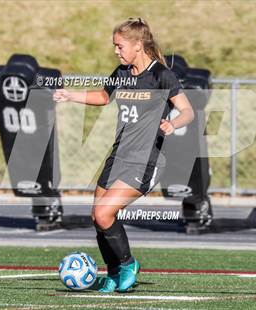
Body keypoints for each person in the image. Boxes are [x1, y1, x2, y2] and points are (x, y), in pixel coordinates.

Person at [53, 18, 194, 293]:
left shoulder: (161, 75)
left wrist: (172, 124)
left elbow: (188, 111)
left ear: (138, 45)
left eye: (120, 46)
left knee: (105, 214)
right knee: (97, 218)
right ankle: (115, 274)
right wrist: (70, 95)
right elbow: (105, 97)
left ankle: (128, 265)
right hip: (118, 156)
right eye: (115, 46)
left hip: (145, 160)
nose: (116, 51)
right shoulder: (122, 72)